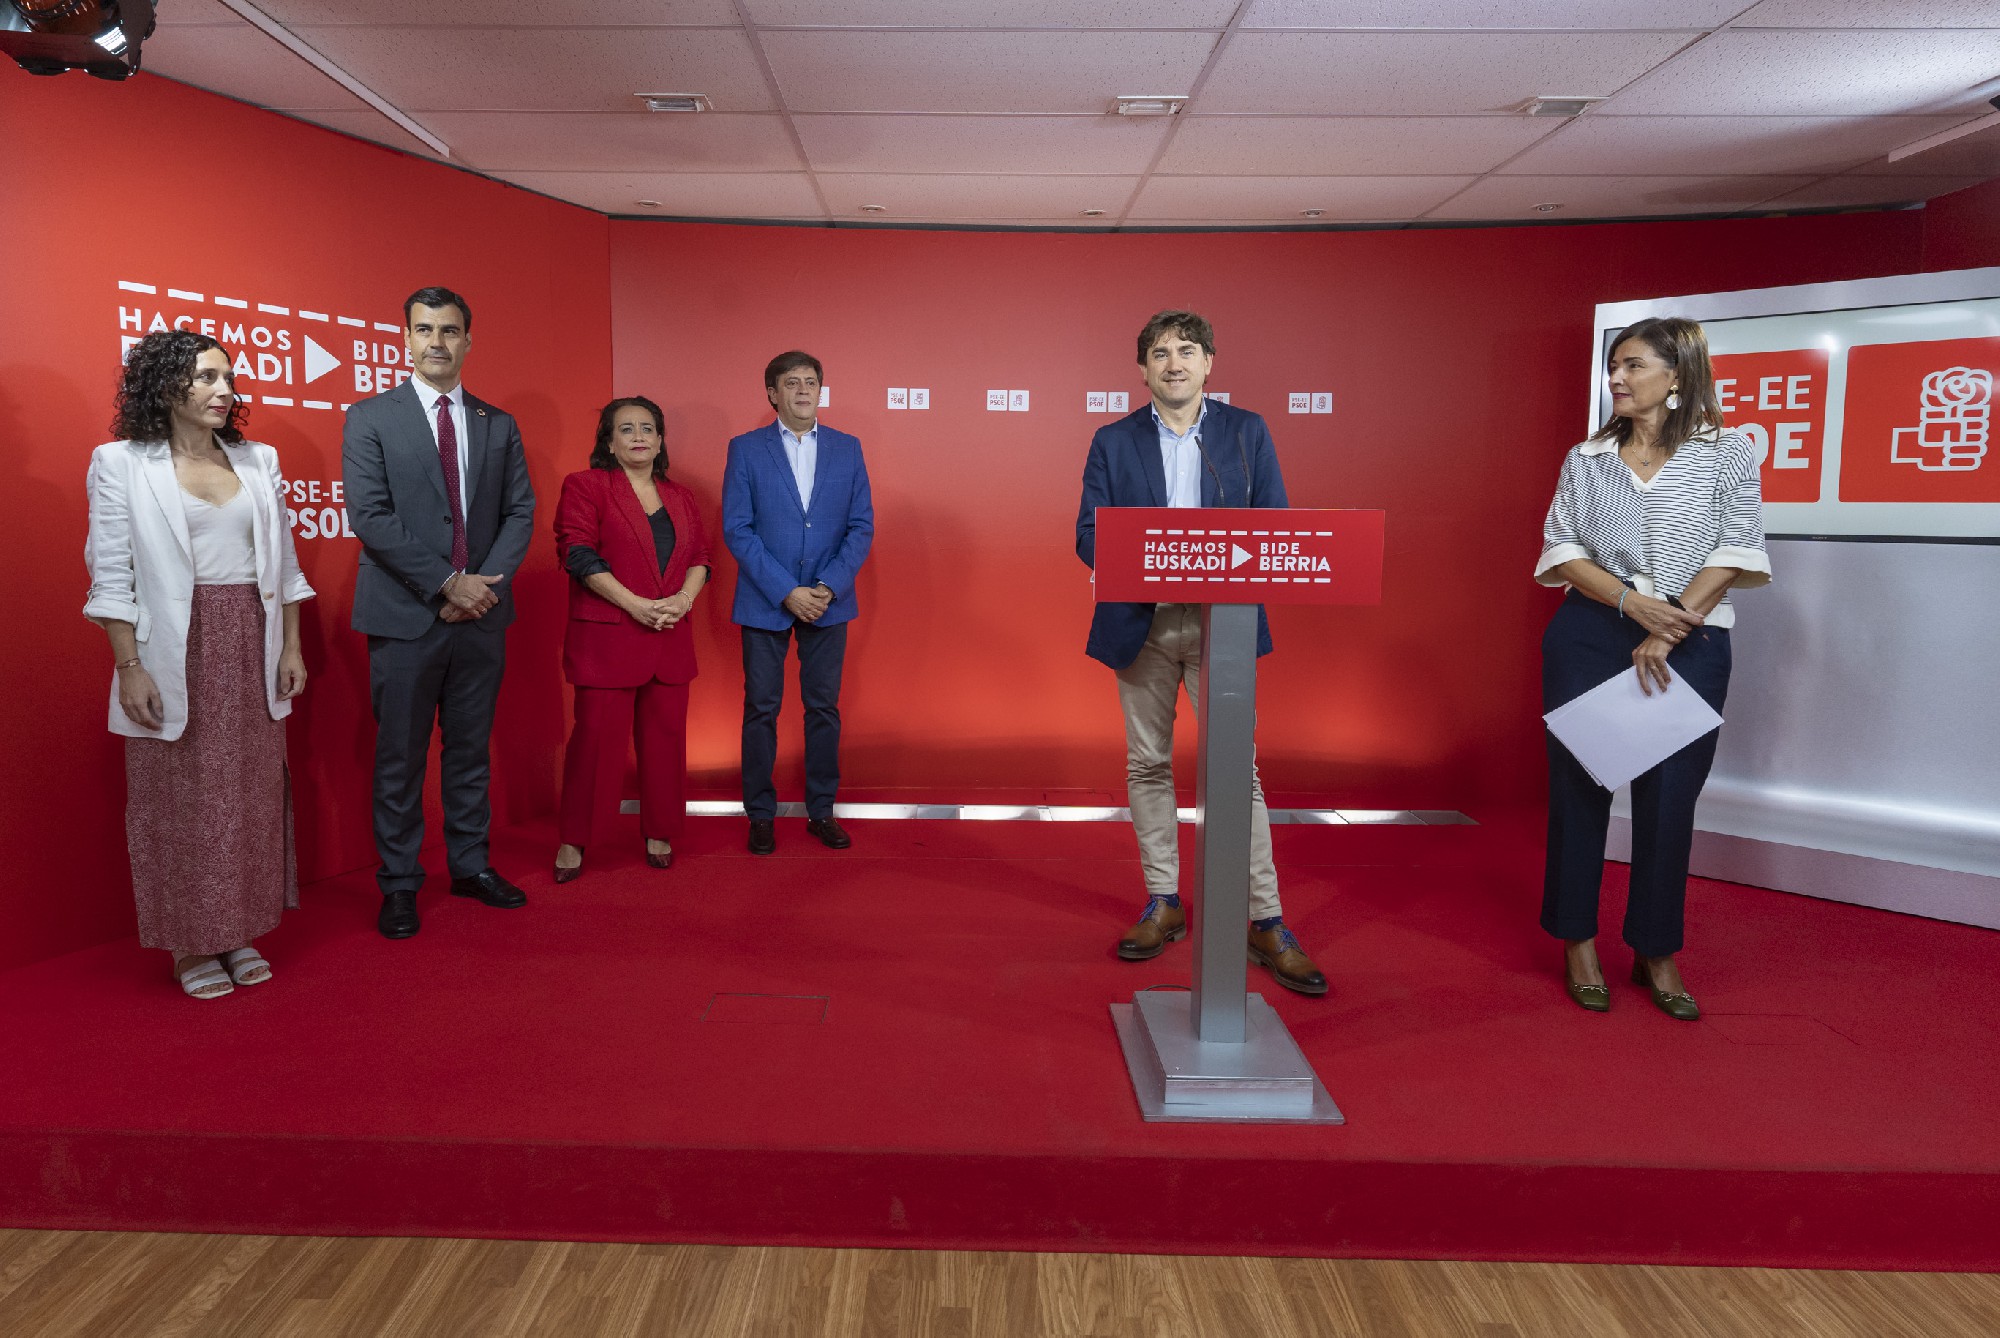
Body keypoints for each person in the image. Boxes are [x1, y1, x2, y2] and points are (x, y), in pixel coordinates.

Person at [1074, 310, 1327, 997]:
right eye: (1161, 353)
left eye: (1187, 351)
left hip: (1227, 626)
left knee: (1235, 770)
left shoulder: (1247, 431)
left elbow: (1273, 526)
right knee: (1148, 763)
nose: (1175, 363)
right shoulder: (1112, 439)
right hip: (1141, 626)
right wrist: (1151, 567)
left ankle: (1264, 918)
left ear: (1210, 363)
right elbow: (1088, 533)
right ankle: (1164, 902)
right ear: (1143, 369)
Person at [1535, 315, 1770, 1020]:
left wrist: (1668, 629)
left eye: (1633, 366)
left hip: (1691, 638)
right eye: (1615, 367)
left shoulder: (1727, 452)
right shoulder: (1588, 458)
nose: (1617, 379)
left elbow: (1738, 547)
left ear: (1678, 375)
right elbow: (1560, 547)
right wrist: (1633, 604)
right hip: (1589, 632)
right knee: (1580, 792)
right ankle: (1577, 940)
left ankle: (1655, 949)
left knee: (1671, 801)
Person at [84, 331, 314, 998]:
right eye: (209, 377)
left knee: (247, 796)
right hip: (171, 647)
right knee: (180, 799)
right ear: (166, 386)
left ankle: (237, 928)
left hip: (255, 639)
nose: (226, 391)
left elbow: (287, 567)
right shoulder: (121, 463)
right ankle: (189, 944)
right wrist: (129, 665)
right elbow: (111, 577)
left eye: (229, 378)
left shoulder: (257, 458)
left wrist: (292, 645)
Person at [341, 286, 536, 939]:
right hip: (405, 617)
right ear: (405, 337)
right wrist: (448, 584)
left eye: (449, 330)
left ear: (468, 340)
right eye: (424, 329)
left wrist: (481, 590)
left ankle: (471, 866)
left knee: (469, 752)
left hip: (481, 619)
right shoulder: (370, 417)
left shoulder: (497, 423)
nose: (437, 342)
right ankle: (399, 884)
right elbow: (371, 517)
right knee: (399, 756)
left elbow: (519, 514)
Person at [551, 397, 712, 880]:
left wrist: (684, 600)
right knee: (595, 742)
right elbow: (576, 553)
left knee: (666, 741)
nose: (639, 436)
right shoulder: (586, 486)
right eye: (626, 429)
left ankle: (659, 830)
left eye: (648, 428)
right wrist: (635, 604)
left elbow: (701, 557)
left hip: (669, 636)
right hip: (608, 638)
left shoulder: (681, 496)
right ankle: (575, 840)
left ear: (660, 440)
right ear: (608, 441)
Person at [721, 351, 874, 855]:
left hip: (829, 601)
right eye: (792, 383)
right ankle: (760, 815)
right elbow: (737, 529)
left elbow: (861, 526)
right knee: (761, 709)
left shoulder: (848, 449)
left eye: (811, 382)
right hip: (768, 599)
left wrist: (827, 587)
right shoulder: (745, 449)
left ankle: (821, 811)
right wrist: (786, 589)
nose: (804, 391)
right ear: (773, 394)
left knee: (823, 709)